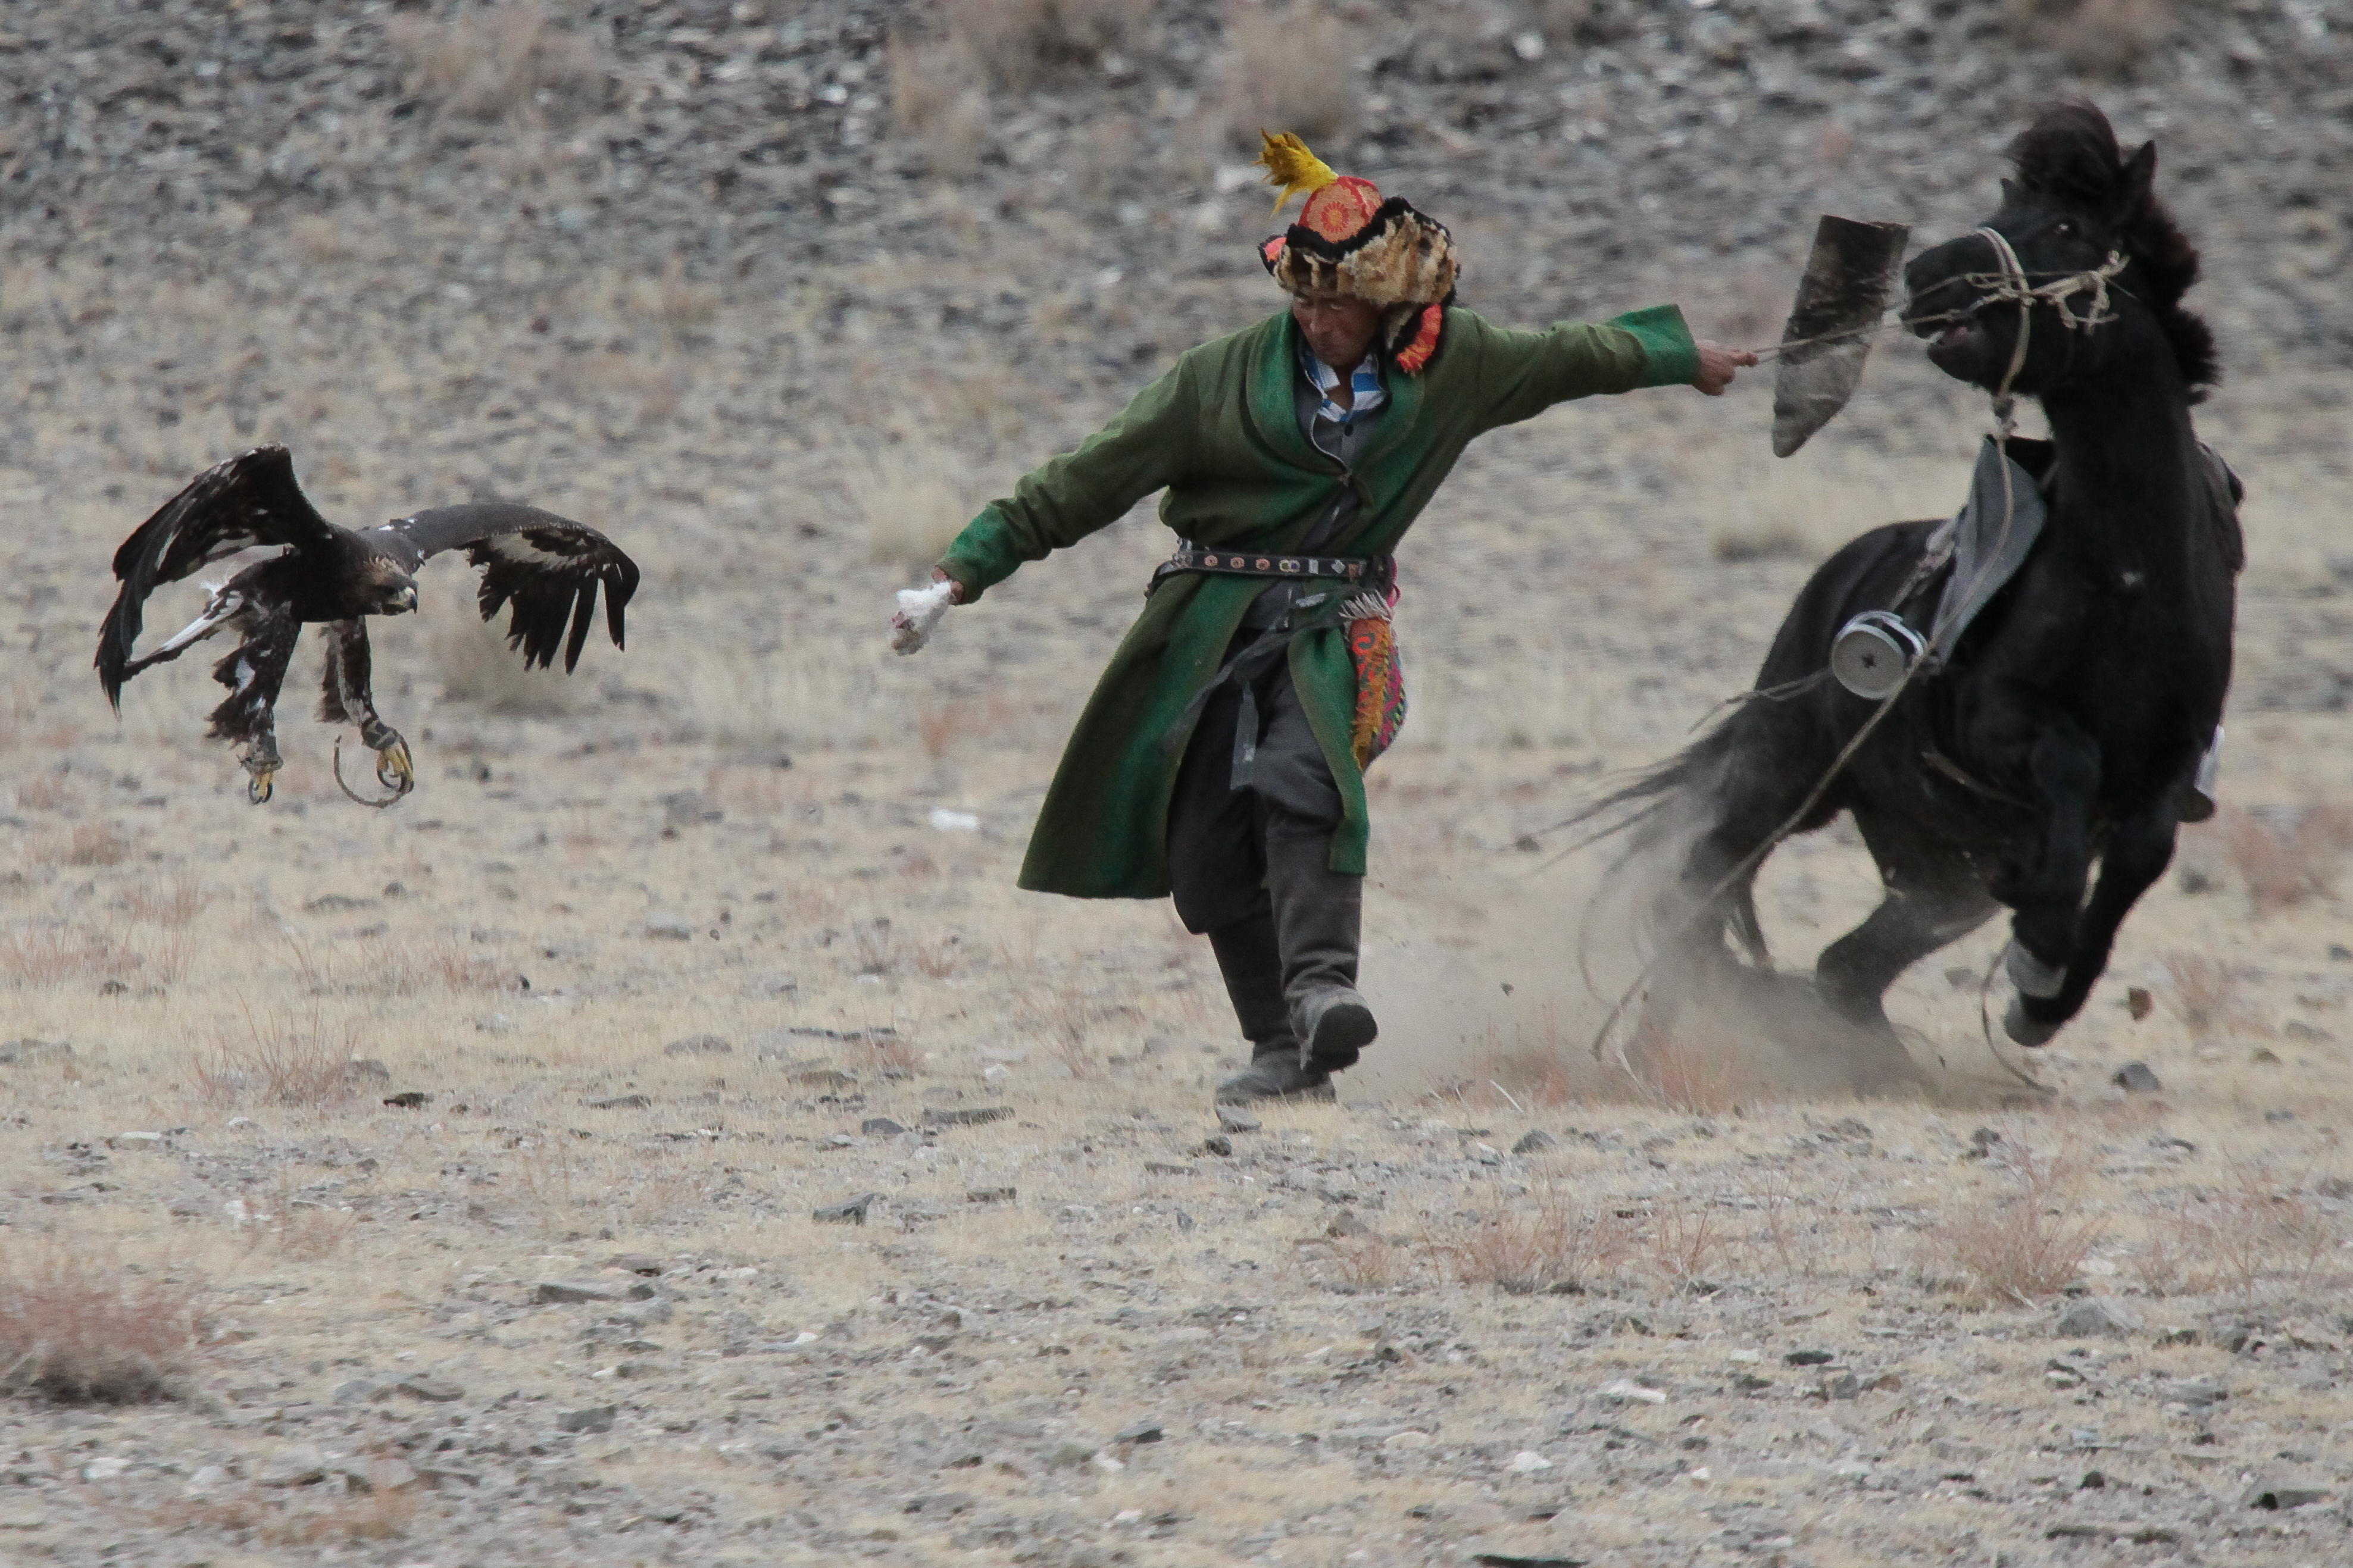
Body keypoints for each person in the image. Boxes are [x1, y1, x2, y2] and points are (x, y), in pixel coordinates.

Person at [895, 133, 1755, 1103]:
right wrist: (959, 573)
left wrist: (1681, 357)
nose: (1314, 320)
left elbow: (1571, 353)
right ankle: (1282, 1053)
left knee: (1306, 782)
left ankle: (1321, 993)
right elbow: (1080, 483)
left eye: (1335, 303)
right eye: (1301, 299)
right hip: (1203, 627)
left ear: (1388, 304)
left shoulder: (1456, 365)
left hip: (1332, 627)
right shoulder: (1213, 378)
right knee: (1202, 844)